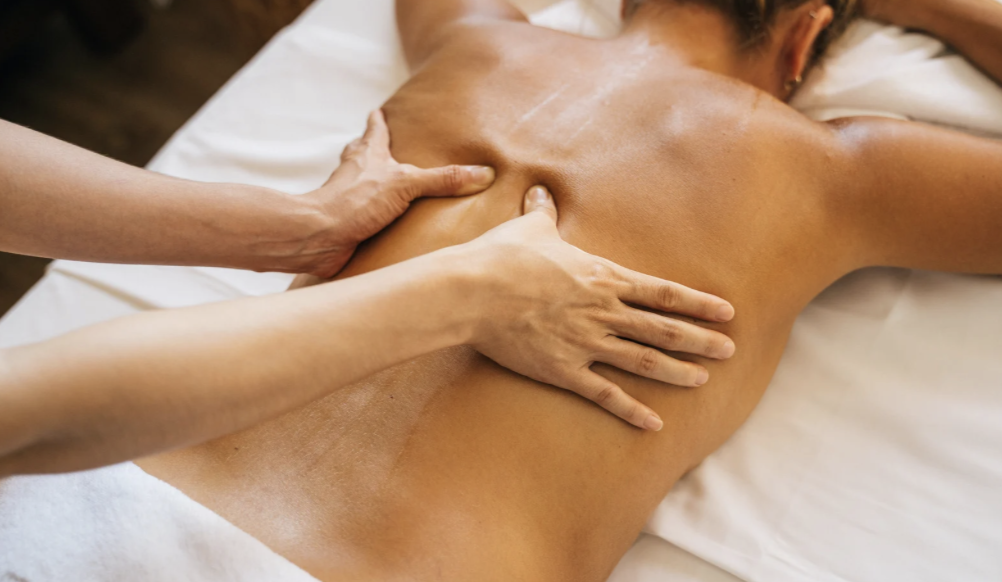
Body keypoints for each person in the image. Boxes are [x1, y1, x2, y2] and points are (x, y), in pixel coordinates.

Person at [74, 0, 1002, 579]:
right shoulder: (836, 173)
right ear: (808, 40)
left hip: (99, 506)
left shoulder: (472, 45)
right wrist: (949, 4)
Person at [0, 111, 740, 474]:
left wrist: (300, 228)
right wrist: (471, 291)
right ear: (806, 35)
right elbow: (27, 411)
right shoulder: (825, 159)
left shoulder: (479, 35)